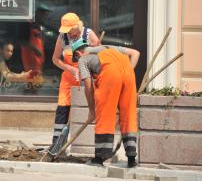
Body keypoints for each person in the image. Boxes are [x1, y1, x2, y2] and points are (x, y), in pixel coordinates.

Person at [72, 39, 140, 167]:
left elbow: (88, 86)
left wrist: (92, 111)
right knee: (128, 116)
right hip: (129, 73)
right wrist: (126, 73)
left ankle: (100, 158)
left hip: (110, 75)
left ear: (78, 54)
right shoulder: (109, 47)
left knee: (105, 115)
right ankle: (131, 159)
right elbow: (136, 53)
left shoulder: (82, 59)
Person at [50, 12, 99, 145]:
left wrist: (86, 68)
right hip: (68, 78)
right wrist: (70, 69)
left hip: (86, 78)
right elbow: (55, 59)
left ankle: (86, 142)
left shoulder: (89, 35)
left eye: (69, 30)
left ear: (77, 26)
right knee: (62, 108)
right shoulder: (62, 37)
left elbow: (99, 57)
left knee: (84, 108)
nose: (68, 33)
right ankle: (57, 143)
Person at [19, 4, 50, 89]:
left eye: (45, 15)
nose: (44, 17)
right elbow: (22, 41)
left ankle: (33, 89)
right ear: (37, 13)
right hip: (30, 58)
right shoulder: (27, 25)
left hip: (38, 60)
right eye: (43, 14)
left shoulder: (40, 26)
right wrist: (34, 49)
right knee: (30, 81)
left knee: (37, 83)